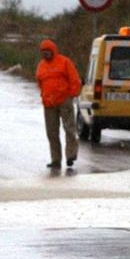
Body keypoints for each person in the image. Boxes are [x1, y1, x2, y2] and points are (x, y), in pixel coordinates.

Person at [36, 39, 82, 169]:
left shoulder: (64, 62)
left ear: (53, 50)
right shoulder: (41, 66)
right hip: (49, 103)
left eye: (48, 51)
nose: (45, 54)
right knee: (51, 133)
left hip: (64, 101)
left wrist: (71, 95)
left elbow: (74, 79)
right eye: (43, 51)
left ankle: (70, 155)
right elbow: (40, 82)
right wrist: (44, 96)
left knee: (69, 129)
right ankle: (56, 160)